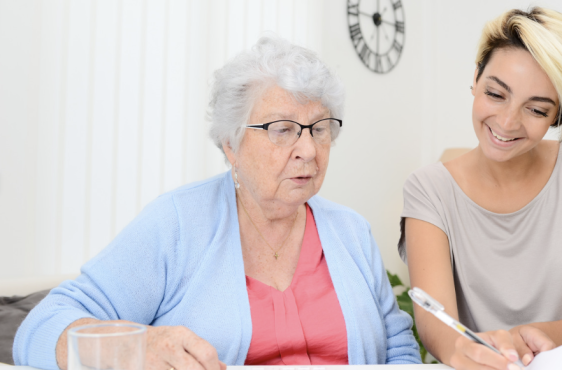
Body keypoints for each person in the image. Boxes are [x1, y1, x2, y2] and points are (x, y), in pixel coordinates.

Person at [14, 36, 420, 370]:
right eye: (283, 130)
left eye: (319, 129)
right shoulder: (176, 223)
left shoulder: (350, 230)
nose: (308, 150)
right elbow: (42, 328)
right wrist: (135, 348)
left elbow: (397, 347)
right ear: (231, 143)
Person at [399, 7, 562, 370]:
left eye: (536, 110)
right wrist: (471, 351)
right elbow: (435, 329)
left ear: (558, 115)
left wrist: (525, 339)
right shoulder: (429, 190)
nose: (507, 123)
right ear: (475, 78)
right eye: (495, 93)